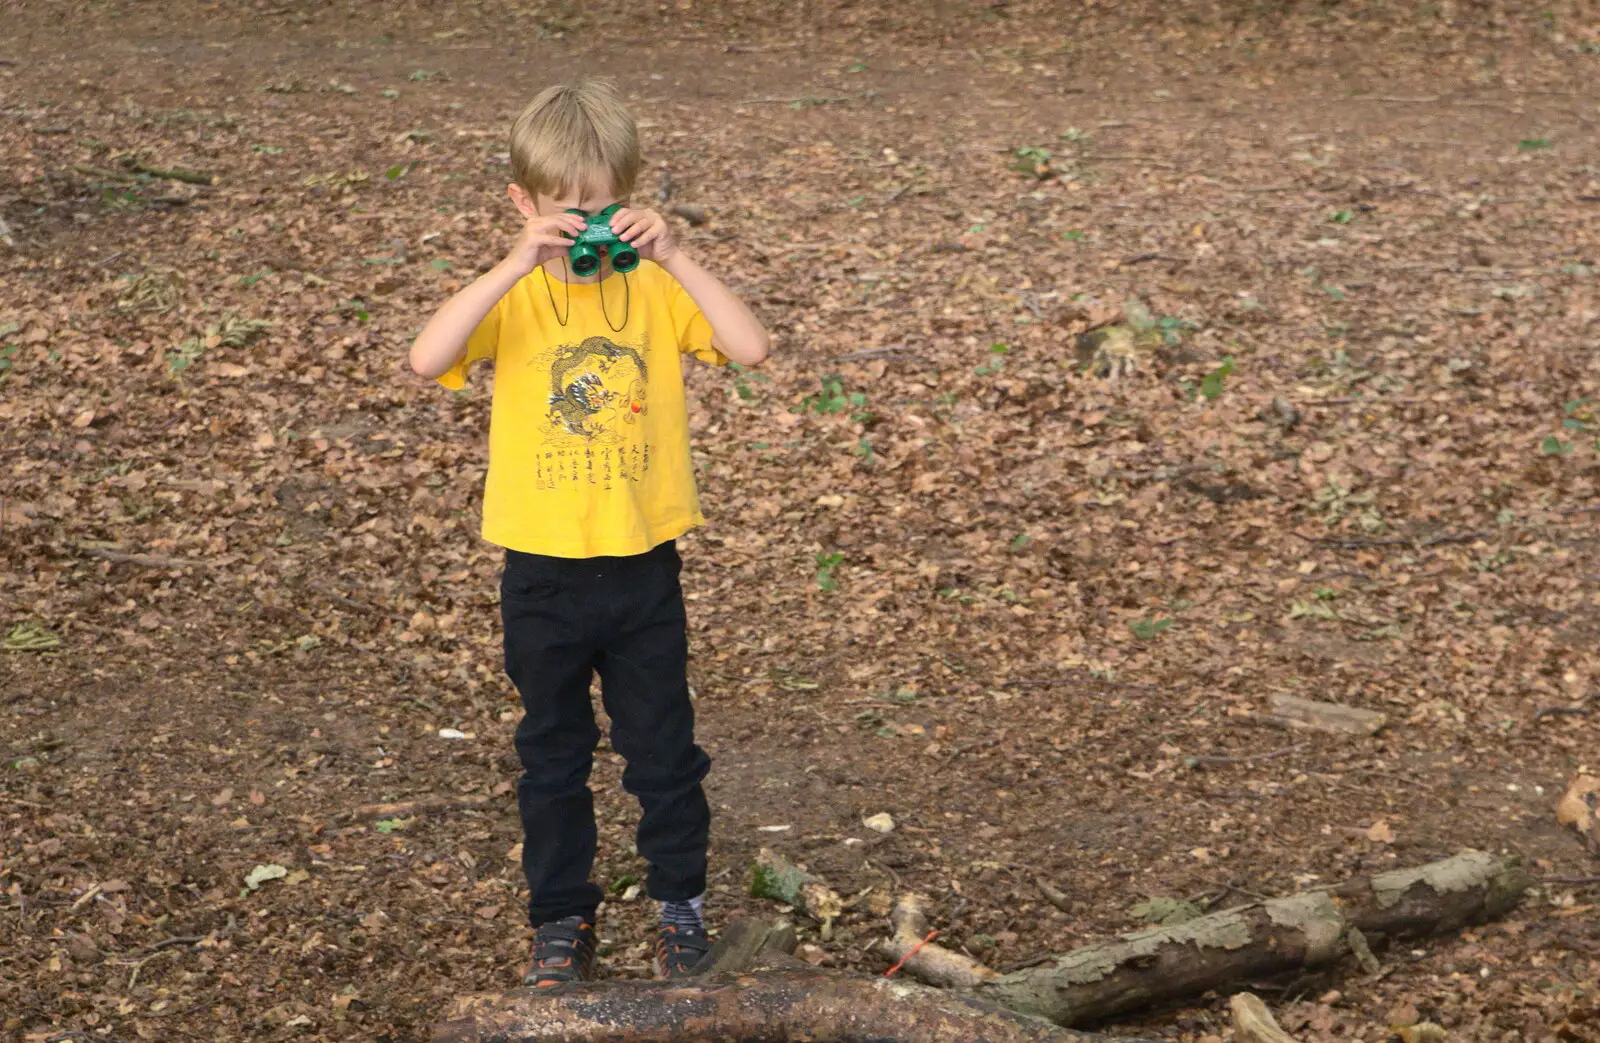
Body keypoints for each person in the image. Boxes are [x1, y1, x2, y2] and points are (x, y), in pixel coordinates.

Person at [408, 78, 770, 985]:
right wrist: (512, 261)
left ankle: (681, 906)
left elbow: (752, 346)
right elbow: (428, 357)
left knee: (663, 752)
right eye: (568, 209)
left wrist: (678, 255)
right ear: (524, 203)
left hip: (643, 563)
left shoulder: (653, 288)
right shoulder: (517, 294)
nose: (589, 225)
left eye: (605, 205)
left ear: (633, 196)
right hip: (541, 571)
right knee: (552, 755)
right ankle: (560, 919)